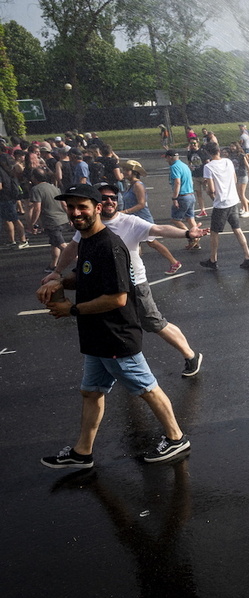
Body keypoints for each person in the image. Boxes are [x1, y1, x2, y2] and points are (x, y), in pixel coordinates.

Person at [36, 184, 192, 468]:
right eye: (71, 207)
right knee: (92, 392)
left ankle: (176, 438)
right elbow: (85, 275)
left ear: (97, 208)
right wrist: (60, 281)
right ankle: (83, 452)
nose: (75, 212)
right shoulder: (87, 240)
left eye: (82, 206)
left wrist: (71, 309)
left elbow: (118, 298)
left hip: (115, 335)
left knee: (146, 388)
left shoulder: (110, 245)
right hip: (96, 334)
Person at [45, 182, 206, 377]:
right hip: (107, 285)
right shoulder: (89, 223)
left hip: (134, 285)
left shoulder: (130, 222)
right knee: (117, 328)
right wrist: (58, 271)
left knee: (154, 323)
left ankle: (191, 355)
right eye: (105, 198)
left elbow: (159, 229)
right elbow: (72, 247)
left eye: (113, 197)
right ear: (97, 203)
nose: (110, 201)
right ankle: (122, 369)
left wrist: (187, 233)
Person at [120, 160, 183, 275]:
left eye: (126, 170)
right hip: (134, 220)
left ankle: (174, 262)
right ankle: (132, 268)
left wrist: (124, 212)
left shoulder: (138, 185)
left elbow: (141, 204)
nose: (123, 172)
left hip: (143, 219)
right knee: (134, 243)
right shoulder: (131, 185)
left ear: (134, 172)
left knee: (152, 242)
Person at [200, 142, 249, 270]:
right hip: (233, 201)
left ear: (208, 153)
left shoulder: (208, 167)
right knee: (237, 229)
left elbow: (211, 189)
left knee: (214, 232)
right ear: (218, 150)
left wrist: (210, 192)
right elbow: (235, 179)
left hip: (221, 204)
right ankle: (248, 256)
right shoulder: (228, 162)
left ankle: (213, 259)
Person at [28, 168, 68, 271]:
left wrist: (32, 223)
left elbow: (37, 208)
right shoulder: (54, 187)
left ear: (34, 178)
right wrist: (70, 216)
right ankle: (53, 265)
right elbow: (64, 204)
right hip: (62, 219)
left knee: (62, 245)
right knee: (54, 243)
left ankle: (82, 261)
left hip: (51, 221)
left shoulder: (36, 189)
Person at [164, 150, 198, 239]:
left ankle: (191, 236)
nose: (166, 160)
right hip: (191, 195)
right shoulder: (184, 165)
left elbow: (177, 182)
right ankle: (196, 238)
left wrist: (174, 198)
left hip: (182, 197)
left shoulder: (174, 167)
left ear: (169, 157)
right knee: (190, 218)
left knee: (175, 220)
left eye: (166, 158)